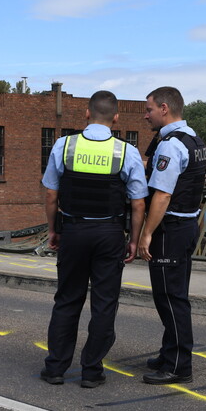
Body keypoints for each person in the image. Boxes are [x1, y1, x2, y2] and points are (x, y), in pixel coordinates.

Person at [40, 90, 147, 388]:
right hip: (109, 233)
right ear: (115, 118)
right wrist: (134, 240)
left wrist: (54, 229)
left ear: (86, 114)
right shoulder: (126, 152)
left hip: (73, 231)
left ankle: (55, 368)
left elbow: (51, 194)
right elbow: (138, 202)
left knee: (67, 300)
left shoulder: (64, 145)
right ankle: (91, 371)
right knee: (104, 303)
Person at [138, 86, 206, 385]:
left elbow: (162, 196)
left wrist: (146, 234)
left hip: (172, 228)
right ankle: (170, 353)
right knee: (171, 294)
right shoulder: (193, 139)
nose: (146, 115)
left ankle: (179, 365)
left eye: (149, 109)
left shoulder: (170, 146)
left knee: (170, 298)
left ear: (164, 108)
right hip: (188, 224)